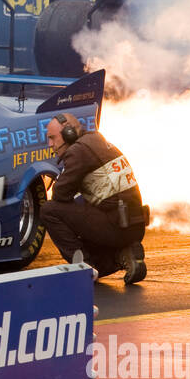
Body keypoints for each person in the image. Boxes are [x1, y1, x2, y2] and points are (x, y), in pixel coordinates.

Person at [40, 112, 148, 284]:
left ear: (69, 133)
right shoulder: (96, 140)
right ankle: (125, 254)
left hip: (117, 225)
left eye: (53, 138)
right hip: (132, 224)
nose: (50, 144)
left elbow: (60, 194)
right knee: (79, 213)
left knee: (49, 210)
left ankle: (86, 269)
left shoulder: (78, 151)